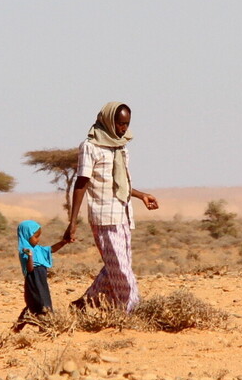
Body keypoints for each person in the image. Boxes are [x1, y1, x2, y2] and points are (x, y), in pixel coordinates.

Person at [63, 102, 160, 312]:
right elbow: (82, 183)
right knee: (122, 270)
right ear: (108, 121)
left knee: (115, 267)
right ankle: (132, 311)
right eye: (120, 124)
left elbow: (118, 182)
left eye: (127, 124)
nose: (123, 128)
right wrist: (73, 222)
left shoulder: (120, 146)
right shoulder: (90, 147)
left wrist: (141, 195)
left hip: (123, 213)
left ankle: (84, 304)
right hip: (104, 215)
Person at [11, 220, 73, 332]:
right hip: (33, 281)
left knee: (36, 303)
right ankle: (44, 328)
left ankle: (18, 328)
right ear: (26, 235)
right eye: (35, 236)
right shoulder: (24, 251)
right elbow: (30, 269)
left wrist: (64, 242)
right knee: (40, 303)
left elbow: (51, 249)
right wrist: (30, 256)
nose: (38, 239)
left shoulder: (38, 249)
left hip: (41, 280)